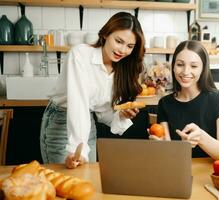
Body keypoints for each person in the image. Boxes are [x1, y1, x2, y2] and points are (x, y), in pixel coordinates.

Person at [40, 12, 145, 168]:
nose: (122, 50)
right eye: (119, 41)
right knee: (66, 183)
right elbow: (78, 103)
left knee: (88, 180)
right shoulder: (80, 54)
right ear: (105, 35)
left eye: (129, 46)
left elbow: (101, 112)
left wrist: (120, 115)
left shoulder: (122, 70)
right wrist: (78, 150)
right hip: (61, 121)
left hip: (87, 123)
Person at [151, 40, 219, 159]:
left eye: (194, 66)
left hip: (212, 174)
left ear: (203, 68)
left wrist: (201, 138)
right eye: (180, 64)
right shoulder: (165, 103)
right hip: (179, 171)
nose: (186, 72)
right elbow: (168, 156)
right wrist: (162, 147)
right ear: (173, 67)